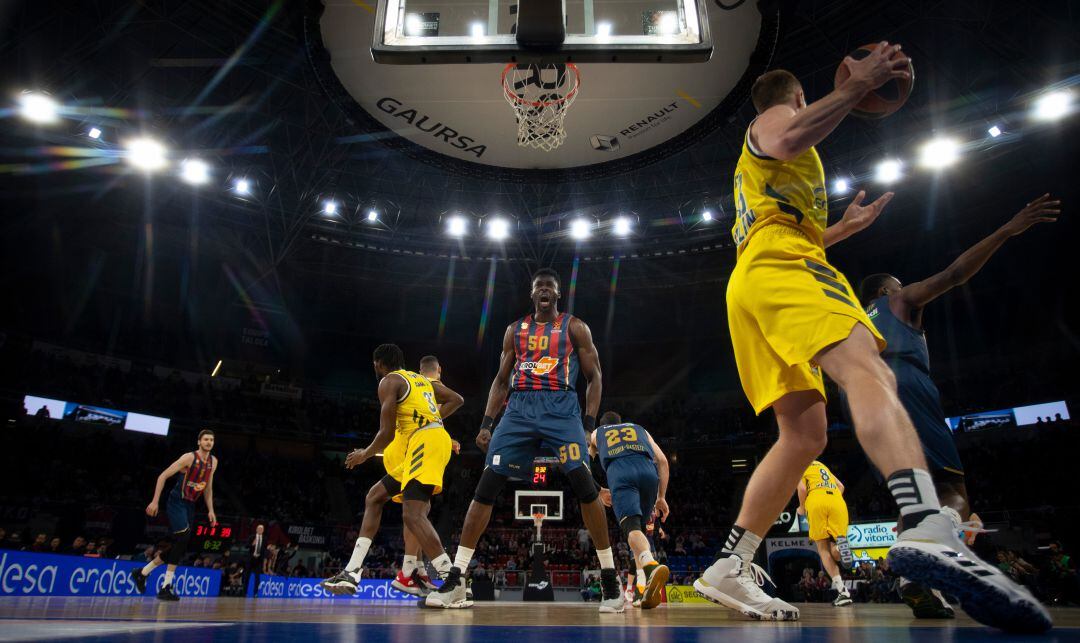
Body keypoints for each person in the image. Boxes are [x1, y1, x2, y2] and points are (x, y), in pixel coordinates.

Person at [693, 49, 1051, 633]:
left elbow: (778, 221)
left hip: (753, 278)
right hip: (783, 265)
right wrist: (856, 89)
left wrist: (841, 229)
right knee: (867, 363)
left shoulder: (769, 179)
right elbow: (785, 138)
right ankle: (926, 520)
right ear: (797, 98)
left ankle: (730, 563)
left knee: (803, 434)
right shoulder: (774, 121)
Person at [855, 194, 1060, 617]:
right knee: (952, 491)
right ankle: (932, 543)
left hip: (859, 401)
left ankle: (915, 576)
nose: (902, 286)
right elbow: (953, 273)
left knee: (913, 499)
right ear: (884, 290)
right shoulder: (897, 300)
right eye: (896, 283)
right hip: (904, 384)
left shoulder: (853, 319)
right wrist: (1007, 229)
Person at [425, 268, 623, 612]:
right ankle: (457, 578)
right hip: (518, 408)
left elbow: (595, 377)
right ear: (532, 295)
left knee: (584, 484)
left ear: (557, 295)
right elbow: (501, 380)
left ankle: (609, 579)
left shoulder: (575, 327)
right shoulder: (514, 330)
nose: (544, 290)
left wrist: (589, 423)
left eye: (550, 287)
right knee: (486, 486)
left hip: (561, 408)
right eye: (539, 287)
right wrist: (488, 422)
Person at [321, 344, 463, 597]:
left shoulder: (388, 381)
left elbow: (386, 433)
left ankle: (450, 578)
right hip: (423, 443)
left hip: (424, 443)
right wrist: (436, 423)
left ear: (378, 364)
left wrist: (364, 454)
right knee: (374, 497)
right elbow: (454, 400)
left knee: (413, 514)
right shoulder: (419, 379)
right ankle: (353, 571)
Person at [589, 411, 671, 609]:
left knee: (631, 529)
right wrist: (661, 497)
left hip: (621, 472)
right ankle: (642, 591)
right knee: (640, 534)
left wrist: (599, 489)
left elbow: (584, 465)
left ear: (602, 424)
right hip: (648, 473)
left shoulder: (596, 433)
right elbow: (663, 461)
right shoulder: (639, 428)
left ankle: (651, 566)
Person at [131, 429, 218, 601]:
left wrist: (211, 510)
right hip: (177, 501)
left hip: (191, 504)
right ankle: (166, 586)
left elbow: (208, 488)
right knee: (183, 538)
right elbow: (163, 476)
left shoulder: (213, 462)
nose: (209, 442)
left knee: (181, 545)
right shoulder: (189, 457)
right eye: (206, 439)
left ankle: (142, 572)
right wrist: (155, 501)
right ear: (199, 442)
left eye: (212, 440)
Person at [796, 460, 853, 607]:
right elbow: (841, 486)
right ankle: (840, 548)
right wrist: (831, 499)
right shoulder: (821, 465)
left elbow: (802, 489)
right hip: (837, 500)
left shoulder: (799, 464)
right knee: (835, 547)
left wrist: (802, 507)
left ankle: (843, 591)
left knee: (822, 549)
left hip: (816, 500)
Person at [248, 524, 267, 597]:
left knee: (257, 577)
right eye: (259, 529)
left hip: (259, 560)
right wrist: (252, 544)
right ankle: (244, 591)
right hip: (251, 559)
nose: (260, 530)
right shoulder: (252, 537)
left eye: (261, 529)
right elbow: (246, 546)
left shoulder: (264, 539)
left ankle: (255, 592)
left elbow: (264, 550)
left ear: (263, 531)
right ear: (256, 529)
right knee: (247, 575)